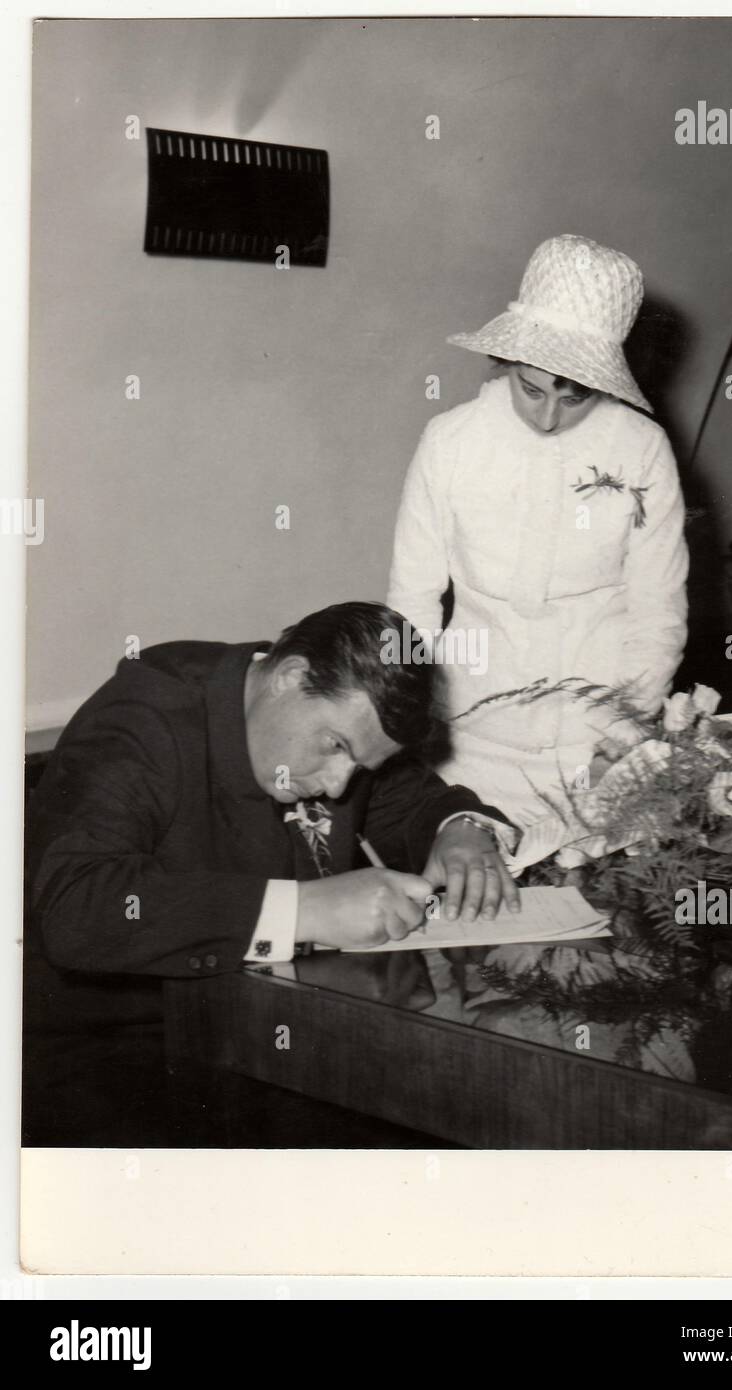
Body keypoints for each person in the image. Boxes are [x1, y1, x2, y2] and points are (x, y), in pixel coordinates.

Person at [23, 601, 518, 1144]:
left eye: (358, 766)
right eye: (334, 747)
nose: (336, 784)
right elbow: (77, 906)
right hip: (118, 1046)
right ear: (290, 676)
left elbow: (407, 797)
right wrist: (306, 910)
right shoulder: (144, 717)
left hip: (268, 1027)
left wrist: (460, 828)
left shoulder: (333, 716)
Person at [388, 234, 689, 827]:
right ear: (507, 359)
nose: (548, 418)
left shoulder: (641, 449)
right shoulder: (449, 441)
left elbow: (657, 613)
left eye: (574, 398)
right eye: (532, 390)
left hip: (597, 751)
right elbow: (413, 603)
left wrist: (621, 738)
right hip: (466, 746)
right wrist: (409, 726)